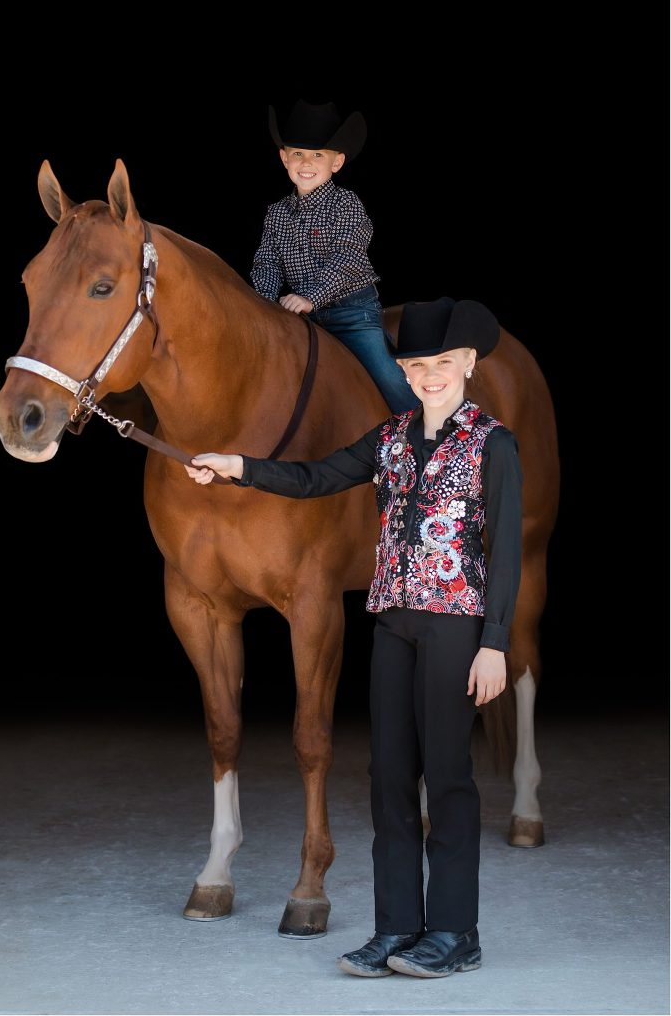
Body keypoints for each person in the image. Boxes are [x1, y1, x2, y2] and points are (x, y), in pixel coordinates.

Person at [184, 296, 522, 981]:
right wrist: (236, 466)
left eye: (444, 364)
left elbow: (506, 548)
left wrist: (495, 641)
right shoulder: (389, 437)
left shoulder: (492, 443)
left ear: (468, 366)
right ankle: (396, 925)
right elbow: (314, 478)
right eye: (419, 364)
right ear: (407, 369)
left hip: (458, 626)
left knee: (448, 778)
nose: (431, 375)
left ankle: (455, 930)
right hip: (393, 621)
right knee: (389, 777)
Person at [250, 98, 413, 414]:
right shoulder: (277, 214)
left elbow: (347, 258)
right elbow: (266, 261)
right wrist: (265, 303)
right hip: (301, 315)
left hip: (351, 314)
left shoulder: (346, 204)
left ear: (336, 162)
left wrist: (309, 296)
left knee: (390, 379)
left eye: (317, 156)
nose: (306, 163)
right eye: (298, 154)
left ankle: (428, 441)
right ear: (284, 158)